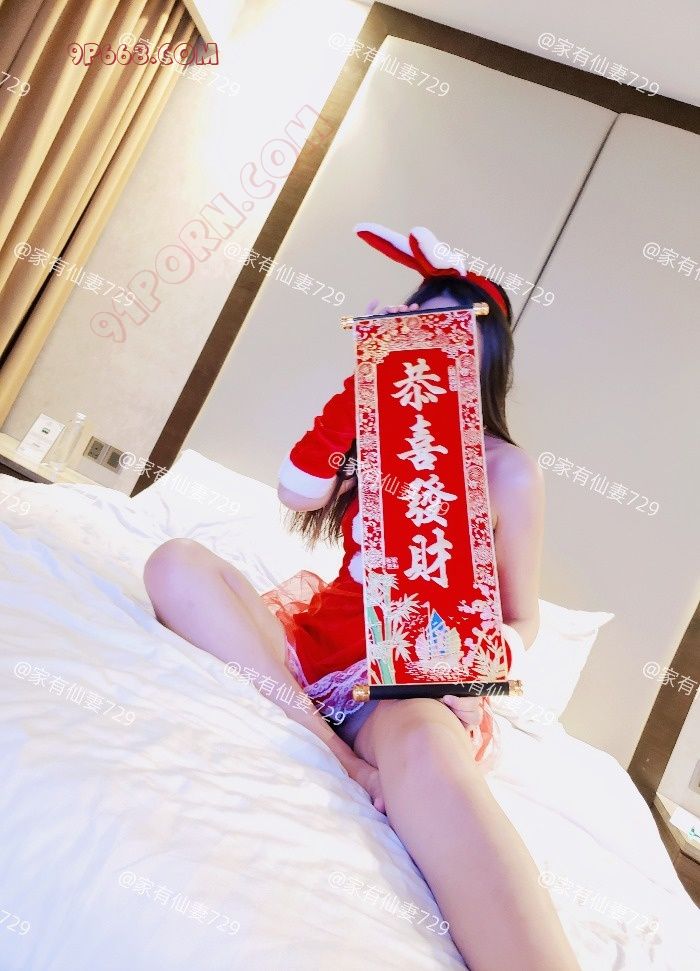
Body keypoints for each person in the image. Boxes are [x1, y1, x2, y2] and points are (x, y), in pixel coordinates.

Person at [143, 225, 580, 970]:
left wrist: (479, 662)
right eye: (417, 329)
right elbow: (298, 490)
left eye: (450, 334)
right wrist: (366, 378)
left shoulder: (509, 471)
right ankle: (338, 757)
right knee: (175, 564)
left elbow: (522, 616)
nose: (431, 348)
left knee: (429, 755)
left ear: (485, 354)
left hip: (411, 676)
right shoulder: (374, 431)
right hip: (316, 648)